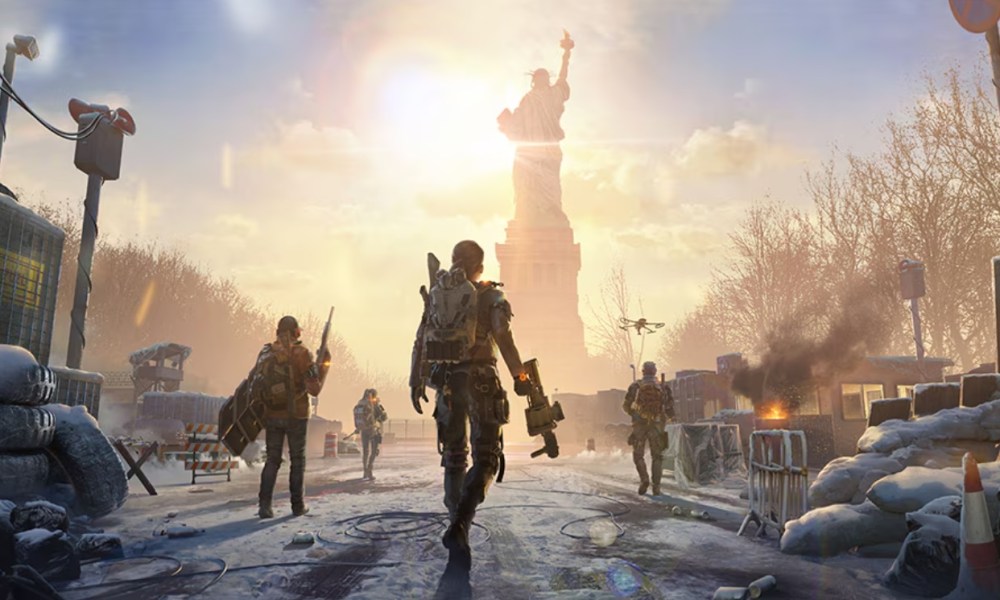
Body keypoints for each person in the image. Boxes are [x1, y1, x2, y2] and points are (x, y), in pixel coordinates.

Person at [410, 240, 530, 578]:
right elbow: (503, 335)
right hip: (481, 379)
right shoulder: (491, 296)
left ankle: (454, 526)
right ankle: (461, 525)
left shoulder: (438, 294)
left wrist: (415, 380)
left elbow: (421, 338)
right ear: (480, 266)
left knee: (454, 457)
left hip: (446, 381)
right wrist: (521, 377)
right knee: (487, 457)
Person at [252, 316, 330, 518]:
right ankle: (297, 506)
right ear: (296, 332)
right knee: (297, 461)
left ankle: (264, 506)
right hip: (296, 415)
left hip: (272, 414)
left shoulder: (266, 352)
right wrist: (324, 368)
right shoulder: (302, 353)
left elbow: (254, 382)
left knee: (272, 460)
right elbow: (314, 390)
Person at [497, 31, 575, 225]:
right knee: (527, 181)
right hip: (530, 150)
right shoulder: (528, 99)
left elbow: (564, 75)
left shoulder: (554, 94)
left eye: (545, 77)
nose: (542, 80)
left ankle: (553, 212)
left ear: (548, 79)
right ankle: (528, 215)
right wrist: (507, 122)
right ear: (534, 80)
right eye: (539, 77)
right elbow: (518, 123)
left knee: (551, 183)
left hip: (549, 148)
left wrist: (566, 53)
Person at [622, 361, 674, 496]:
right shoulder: (663, 386)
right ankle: (656, 487)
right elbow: (670, 409)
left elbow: (626, 406)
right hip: (657, 426)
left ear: (643, 372)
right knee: (657, 456)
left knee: (638, 455)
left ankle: (644, 479)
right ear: (655, 372)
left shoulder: (635, 386)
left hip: (639, 426)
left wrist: (636, 414)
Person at [352, 388, 387, 480]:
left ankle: (364, 472)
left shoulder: (361, 403)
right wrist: (380, 407)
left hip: (364, 430)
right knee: (374, 450)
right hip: (373, 430)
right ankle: (369, 470)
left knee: (365, 451)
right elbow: (384, 417)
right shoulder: (373, 404)